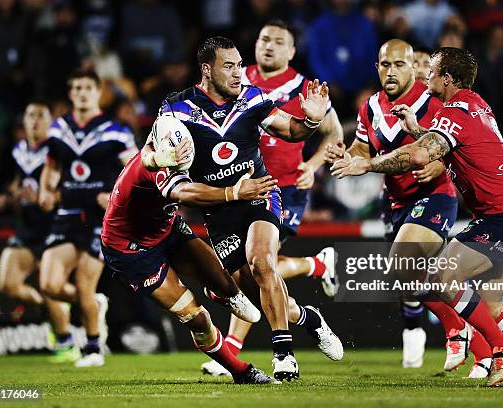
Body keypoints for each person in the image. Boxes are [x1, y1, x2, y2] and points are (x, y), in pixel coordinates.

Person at [330, 47, 503, 388]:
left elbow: (419, 155)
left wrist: (368, 164)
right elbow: (451, 141)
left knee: (440, 274)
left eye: (431, 71)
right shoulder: (473, 103)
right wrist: (418, 128)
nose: (425, 76)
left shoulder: (455, 112)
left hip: (499, 219)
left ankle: (498, 346)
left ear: (447, 78)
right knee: (492, 306)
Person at [148, 36, 343, 381]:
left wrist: (310, 121)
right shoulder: (175, 109)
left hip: (260, 193)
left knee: (263, 263)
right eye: (229, 66)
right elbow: (154, 156)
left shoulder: (252, 98)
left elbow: (291, 130)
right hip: (219, 211)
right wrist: (163, 157)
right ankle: (308, 318)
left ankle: (284, 355)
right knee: (255, 289)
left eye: (240, 65)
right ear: (207, 70)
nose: (239, 73)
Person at [324, 39, 491, 376]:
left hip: (434, 196)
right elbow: (362, 148)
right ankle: (486, 346)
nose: (391, 71)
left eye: (399, 64)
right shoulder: (370, 107)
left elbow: (459, 142)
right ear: (377, 67)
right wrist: (349, 157)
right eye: (385, 65)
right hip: (397, 202)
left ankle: (457, 327)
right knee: (410, 276)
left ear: (413, 67)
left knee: (403, 262)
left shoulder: (432, 101)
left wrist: (442, 164)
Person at [200, 20, 344, 377]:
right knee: (257, 274)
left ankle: (251, 349)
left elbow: (332, 133)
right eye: (264, 39)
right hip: (229, 194)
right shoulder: (235, 78)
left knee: (264, 263)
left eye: (279, 42)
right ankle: (314, 276)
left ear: (292, 52)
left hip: (282, 187)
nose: (269, 46)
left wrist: (312, 165)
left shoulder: (302, 87)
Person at [100, 140, 275, 384]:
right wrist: (234, 192)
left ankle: (220, 293)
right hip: (132, 251)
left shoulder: (187, 150)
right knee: (198, 319)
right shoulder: (154, 164)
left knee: (229, 287)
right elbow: (183, 192)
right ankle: (241, 371)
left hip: (167, 229)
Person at [38, 69, 138, 368]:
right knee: (49, 285)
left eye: (87, 88)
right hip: (67, 214)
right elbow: (53, 165)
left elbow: (135, 172)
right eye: (76, 87)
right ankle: (94, 306)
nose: (82, 92)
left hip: (100, 219)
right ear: (71, 93)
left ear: (99, 92)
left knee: (84, 284)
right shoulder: (59, 129)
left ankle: (93, 348)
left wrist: (115, 197)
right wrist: (46, 188)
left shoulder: (115, 130)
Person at [0, 101, 74, 362]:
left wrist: (51, 195)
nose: (34, 121)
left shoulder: (59, 150)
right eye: (30, 115)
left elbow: (75, 186)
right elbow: (18, 184)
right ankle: (47, 307)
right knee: (7, 284)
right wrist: (13, 196)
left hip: (53, 228)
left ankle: (66, 340)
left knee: (50, 286)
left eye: (40, 116)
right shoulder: (19, 149)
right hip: (28, 228)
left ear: (50, 121)